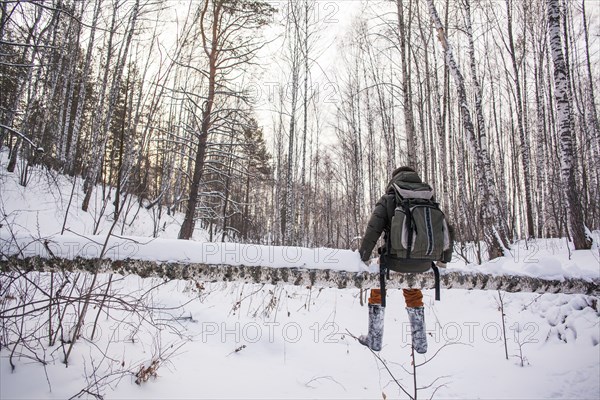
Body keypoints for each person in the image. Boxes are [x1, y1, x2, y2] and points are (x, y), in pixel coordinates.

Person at [357, 166, 452, 353]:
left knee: (378, 289)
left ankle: (375, 339)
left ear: (394, 179)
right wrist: (443, 261)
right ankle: (420, 342)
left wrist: (363, 258)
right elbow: (447, 229)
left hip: (394, 261)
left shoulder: (390, 198)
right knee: (413, 292)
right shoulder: (428, 198)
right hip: (425, 263)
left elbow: (373, 230)